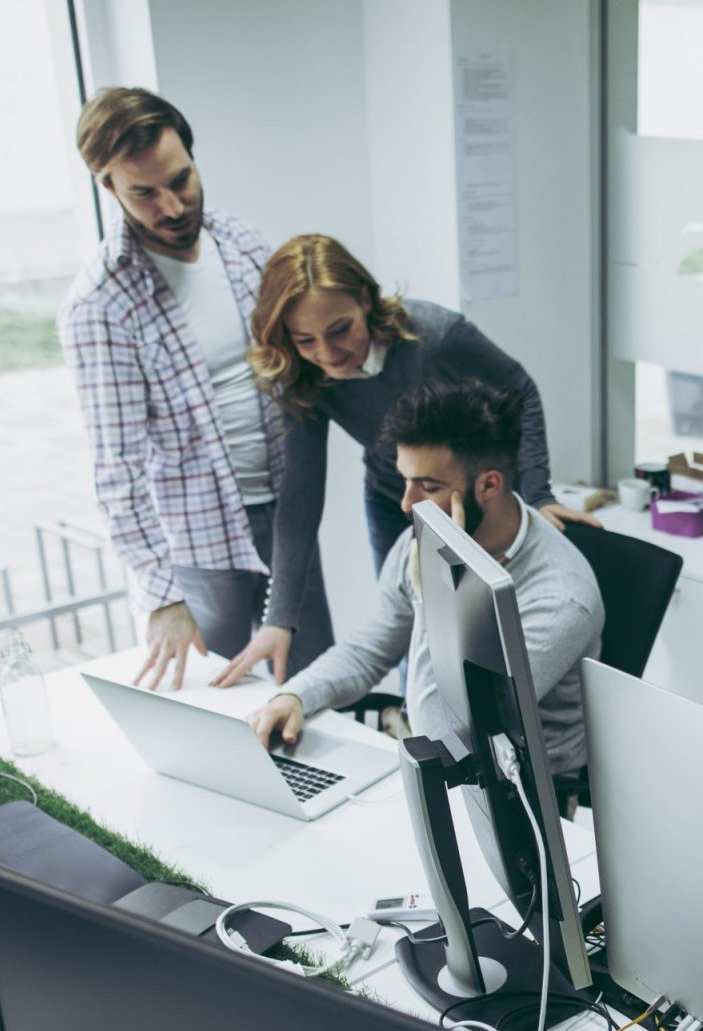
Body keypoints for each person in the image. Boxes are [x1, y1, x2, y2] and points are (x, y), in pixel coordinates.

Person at [213, 234, 598, 688]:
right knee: (410, 623)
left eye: (340, 330)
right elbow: (299, 496)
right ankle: (420, 730)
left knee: (478, 630)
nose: (328, 353)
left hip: (470, 494)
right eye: (305, 340)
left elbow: (521, 390)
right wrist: (279, 620)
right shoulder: (304, 377)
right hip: (391, 491)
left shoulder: (435, 335)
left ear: (364, 299)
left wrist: (539, 493)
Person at [58, 87, 334, 690]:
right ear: (109, 189)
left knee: (316, 690)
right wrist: (161, 596)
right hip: (202, 550)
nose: (174, 206)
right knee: (228, 711)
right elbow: (117, 470)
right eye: (145, 194)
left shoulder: (241, 242)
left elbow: (296, 368)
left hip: (286, 521)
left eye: (181, 180)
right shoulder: (100, 304)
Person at [245, 380, 604, 779]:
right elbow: (373, 647)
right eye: (405, 480)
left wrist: (429, 596)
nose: (406, 503)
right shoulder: (430, 534)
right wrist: (295, 695)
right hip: (448, 761)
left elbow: (445, 734)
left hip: (528, 787)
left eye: (428, 487)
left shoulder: (561, 598)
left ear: (488, 484)